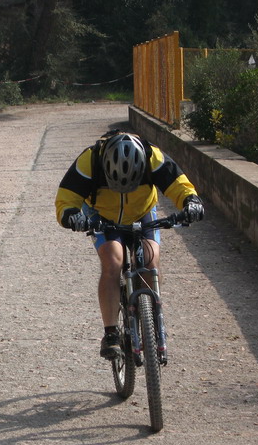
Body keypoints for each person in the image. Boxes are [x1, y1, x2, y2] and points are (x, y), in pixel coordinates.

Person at [55, 130, 204, 360]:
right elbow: (66, 198)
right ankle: (111, 333)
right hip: (102, 215)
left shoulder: (152, 156)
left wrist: (191, 201)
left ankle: (151, 318)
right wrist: (71, 216)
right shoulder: (89, 160)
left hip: (142, 211)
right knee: (113, 262)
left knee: (150, 261)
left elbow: (178, 184)